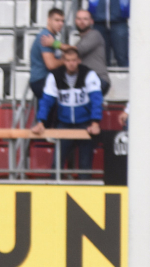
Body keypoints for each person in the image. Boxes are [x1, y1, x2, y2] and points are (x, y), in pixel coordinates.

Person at [31, 48, 103, 179]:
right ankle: (54, 188)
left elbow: (96, 100)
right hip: (64, 123)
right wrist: (41, 122)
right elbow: (46, 101)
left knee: (85, 164)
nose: (71, 63)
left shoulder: (89, 74)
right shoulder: (54, 76)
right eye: (68, 60)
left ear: (79, 60)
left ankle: (85, 188)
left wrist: (95, 122)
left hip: (85, 124)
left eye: (74, 60)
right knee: (57, 163)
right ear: (63, 61)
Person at [29, 8, 66, 99]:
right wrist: (65, 60)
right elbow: (51, 65)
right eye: (57, 20)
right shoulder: (45, 37)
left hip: (43, 80)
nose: (60, 24)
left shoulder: (51, 38)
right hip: (42, 80)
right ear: (49, 20)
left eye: (62, 21)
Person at [72, 9, 110, 95]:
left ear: (91, 21)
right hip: (86, 80)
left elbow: (77, 50)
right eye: (79, 19)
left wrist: (55, 44)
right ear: (75, 21)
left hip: (98, 78)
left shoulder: (95, 34)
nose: (82, 22)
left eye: (85, 19)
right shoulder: (79, 41)